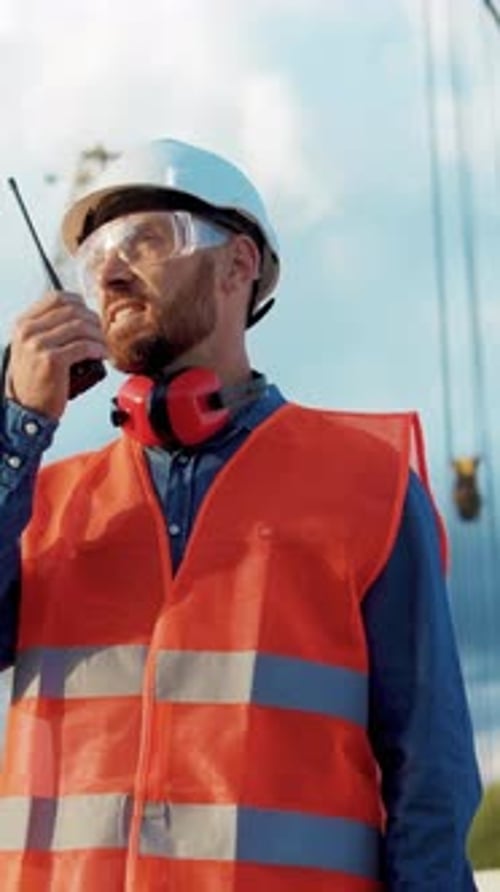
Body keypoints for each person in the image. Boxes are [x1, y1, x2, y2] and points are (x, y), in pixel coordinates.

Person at [0, 138, 481, 891]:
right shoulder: (44, 501)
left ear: (238, 265)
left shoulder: (369, 484)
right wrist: (16, 430)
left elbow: (431, 772)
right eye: (96, 256)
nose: (112, 271)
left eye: (145, 239)